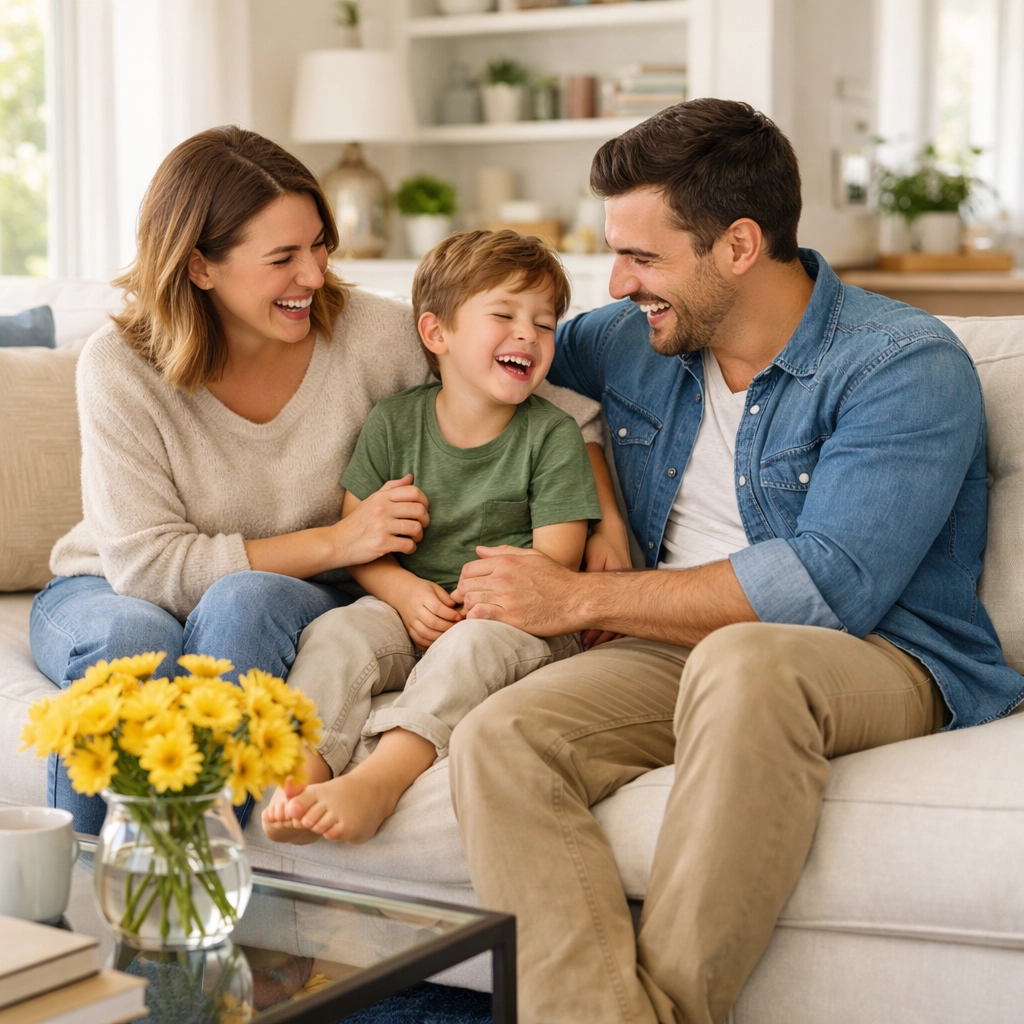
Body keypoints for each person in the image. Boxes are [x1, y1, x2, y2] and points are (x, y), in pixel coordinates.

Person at [447, 99, 1024, 1024]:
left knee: (745, 658)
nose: (617, 282)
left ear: (740, 246)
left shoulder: (901, 364)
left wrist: (579, 596)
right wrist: (598, 492)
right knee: (500, 738)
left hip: (884, 653)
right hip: (676, 648)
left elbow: (828, 585)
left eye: (642, 257)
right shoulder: (632, 338)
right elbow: (477, 352)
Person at [29, 127, 613, 835]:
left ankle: (215, 859)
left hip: (288, 592)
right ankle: (84, 897)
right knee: (131, 647)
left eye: (319, 246)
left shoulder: (372, 333)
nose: (313, 275)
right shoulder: (120, 365)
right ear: (200, 266)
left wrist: (606, 524)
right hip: (114, 585)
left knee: (245, 601)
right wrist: (340, 539)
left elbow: (556, 410)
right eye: (283, 258)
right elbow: (148, 569)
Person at [261, 230, 603, 845]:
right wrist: (404, 592)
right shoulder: (394, 422)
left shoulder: (552, 435)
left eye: (544, 324)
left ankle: (380, 780)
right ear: (436, 334)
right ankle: (301, 779)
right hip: (413, 612)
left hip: (513, 626)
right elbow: (360, 540)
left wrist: (488, 601)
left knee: (472, 647)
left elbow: (557, 560)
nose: (528, 335)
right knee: (339, 630)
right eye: (504, 315)